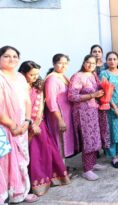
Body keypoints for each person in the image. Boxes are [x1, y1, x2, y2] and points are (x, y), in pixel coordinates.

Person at [19, 60, 70, 195]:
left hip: (38, 123)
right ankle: (30, 186)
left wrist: (35, 123)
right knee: (30, 155)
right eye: (32, 75)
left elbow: (40, 107)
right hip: (22, 125)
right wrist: (29, 123)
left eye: (37, 74)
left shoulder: (38, 87)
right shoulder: (18, 87)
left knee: (44, 152)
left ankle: (50, 180)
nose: (35, 77)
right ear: (23, 73)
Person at [0, 46, 39, 203]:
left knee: (22, 160)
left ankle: (20, 192)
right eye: (7, 56)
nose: (12, 59)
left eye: (15, 56)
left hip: (22, 125)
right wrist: (12, 125)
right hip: (5, 128)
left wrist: (27, 121)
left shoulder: (21, 78)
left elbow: (27, 100)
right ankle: (3, 195)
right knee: (4, 162)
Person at [68, 55, 110, 180]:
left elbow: (98, 90)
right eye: (88, 62)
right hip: (83, 113)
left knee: (94, 138)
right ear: (83, 62)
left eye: (93, 63)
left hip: (94, 110)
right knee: (88, 140)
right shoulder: (77, 76)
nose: (91, 65)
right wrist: (92, 95)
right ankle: (87, 169)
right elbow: (72, 96)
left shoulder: (93, 75)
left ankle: (92, 163)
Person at [45, 54, 79, 160]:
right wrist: (59, 119)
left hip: (67, 114)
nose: (63, 66)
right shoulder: (52, 79)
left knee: (65, 142)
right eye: (60, 63)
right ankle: (60, 171)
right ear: (54, 64)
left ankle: (64, 168)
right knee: (59, 142)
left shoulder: (63, 76)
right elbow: (51, 101)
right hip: (58, 115)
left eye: (65, 63)